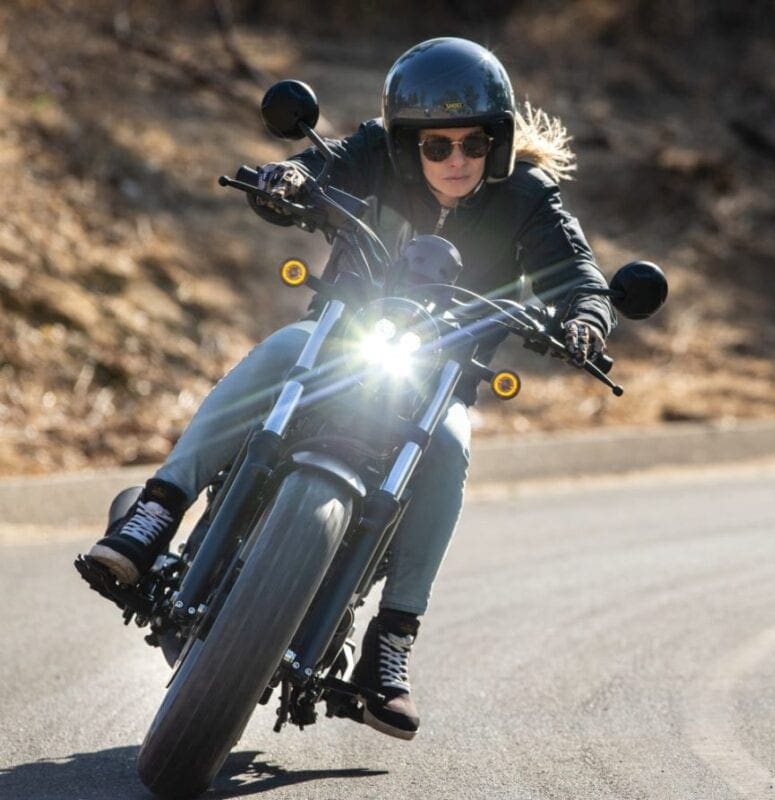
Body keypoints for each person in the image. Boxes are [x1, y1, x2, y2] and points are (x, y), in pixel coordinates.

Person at [80, 36, 615, 740]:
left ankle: (390, 642)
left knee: (452, 448)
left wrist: (584, 320)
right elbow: (312, 169)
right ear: (406, 145)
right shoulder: (370, 153)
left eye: (473, 144)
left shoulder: (526, 199)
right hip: (339, 345)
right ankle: (156, 512)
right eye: (435, 145)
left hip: (434, 385)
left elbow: (581, 275)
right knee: (284, 347)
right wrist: (289, 183)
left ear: (500, 143)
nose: (455, 160)